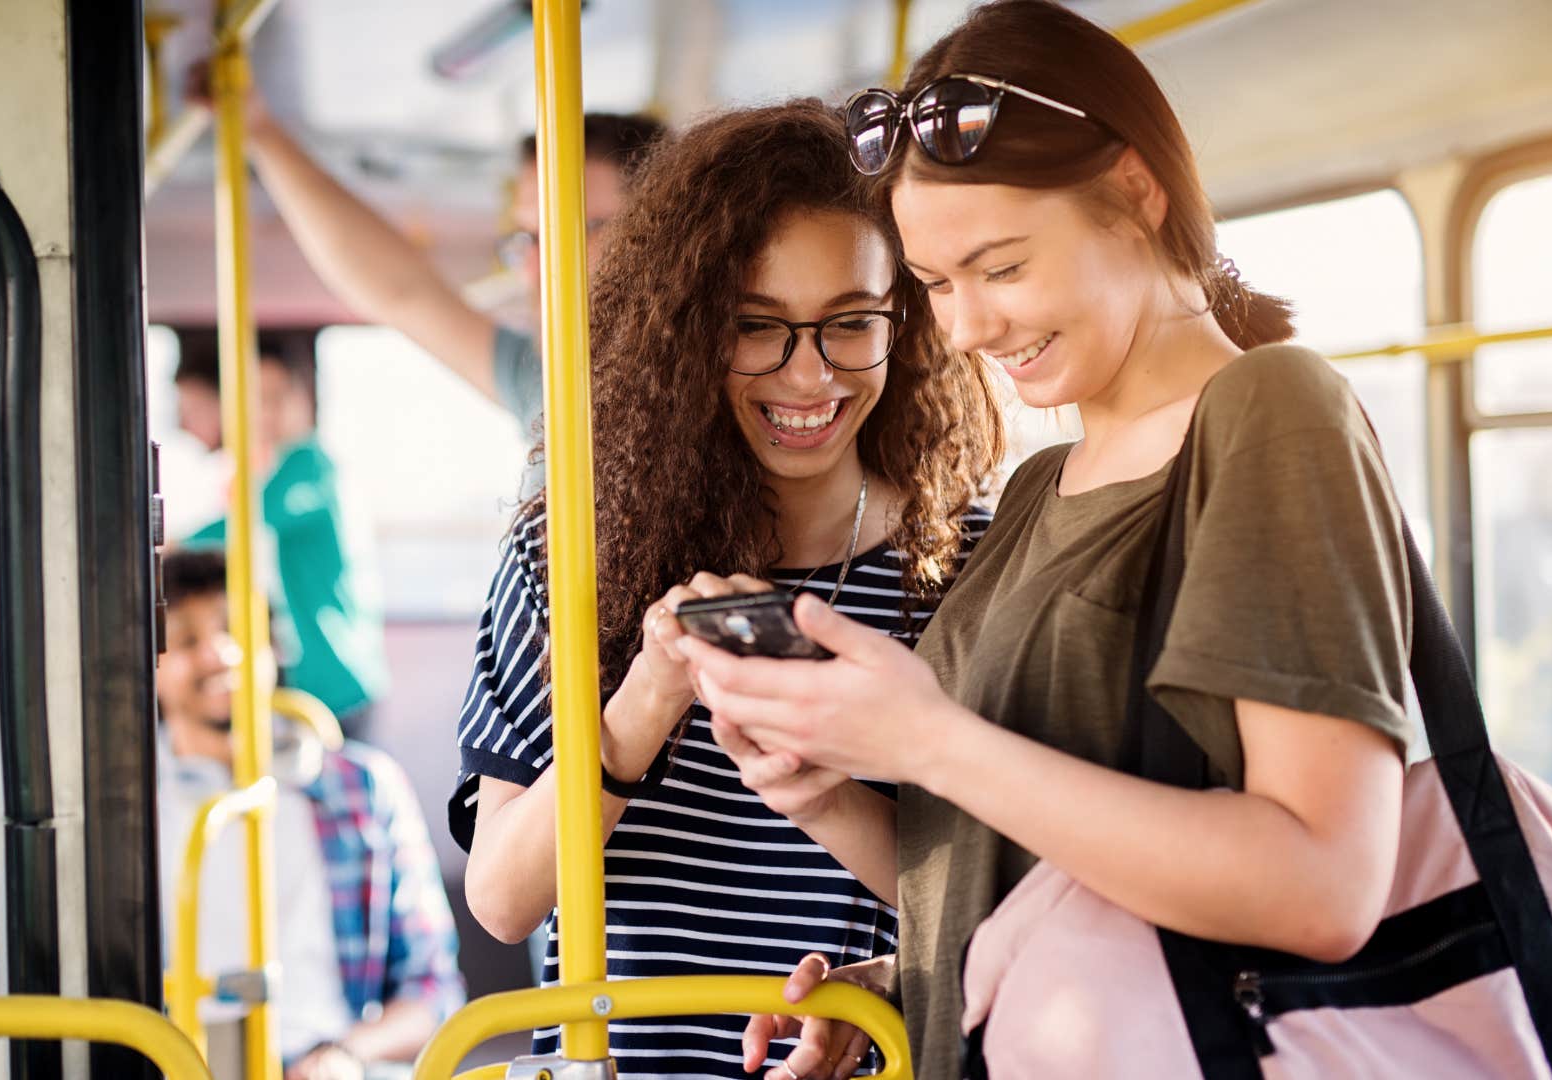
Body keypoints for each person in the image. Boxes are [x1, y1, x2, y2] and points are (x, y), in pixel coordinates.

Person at [680, 4, 1416, 1078]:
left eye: (1001, 267)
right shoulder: (1034, 487)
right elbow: (1016, 863)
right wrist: (855, 851)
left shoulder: (1272, 410)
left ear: (1133, 192)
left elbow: (1323, 888)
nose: (968, 327)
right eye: (936, 286)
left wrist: (926, 740)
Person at [449, 101, 1004, 1077]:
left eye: (850, 325)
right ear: (687, 329)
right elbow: (502, 898)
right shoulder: (565, 552)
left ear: (904, 321)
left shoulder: (970, 559)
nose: (809, 376)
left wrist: (821, 790)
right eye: (757, 328)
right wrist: (648, 699)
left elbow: (997, 898)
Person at [210, 66, 662, 433]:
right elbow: (401, 293)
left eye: (568, 232)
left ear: (662, 234)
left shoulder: (712, 390)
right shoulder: (548, 384)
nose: (533, 265)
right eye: (528, 239)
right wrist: (260, 133)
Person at [154, 549, 463, 1079]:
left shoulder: (362, 789)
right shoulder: (126, 807)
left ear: (274, 648)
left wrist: (345, 1055)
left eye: (237, 630)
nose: (219, 654)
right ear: (150, 667)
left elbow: (432, 992)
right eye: (185, 640)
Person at [187, 336, 389, 740]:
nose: (267, 413)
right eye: (256, 400)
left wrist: (169, 547)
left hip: (337, 678)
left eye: (277, 397)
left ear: (304, 399)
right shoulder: (273, 473)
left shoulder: (311, 466)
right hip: (314, 676)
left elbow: (245, 522)